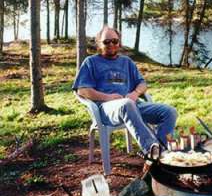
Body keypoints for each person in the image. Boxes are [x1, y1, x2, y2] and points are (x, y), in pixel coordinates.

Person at [73, 26, 177, 154]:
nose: (111, 44)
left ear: (119, 42)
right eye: (106, 42)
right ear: (99, 43)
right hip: (107, 110)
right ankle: (152, 150)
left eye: (115, 41)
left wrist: (135, 93)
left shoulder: (126, 62)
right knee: (126, 104)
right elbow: (82, 90)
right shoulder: (91, 62)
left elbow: (142, 83)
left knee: (169, 112)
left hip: (134, 104)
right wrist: (108, 97)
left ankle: (162, 152)